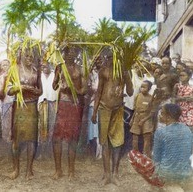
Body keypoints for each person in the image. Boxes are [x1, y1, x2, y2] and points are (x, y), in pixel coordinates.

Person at [91, 50, 133, 186]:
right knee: (104, 142)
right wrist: (94, 111)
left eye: (111, 57)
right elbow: (98, 92)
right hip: (104, 108)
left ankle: (115, 173)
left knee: (117, 142)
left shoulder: (123, 72)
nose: (109, 60)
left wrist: (127, 78)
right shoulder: (103, 71)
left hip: (118, 109)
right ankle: (106, 174)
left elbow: (130, 92)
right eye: (107, 57)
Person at [129, 103, 193, 191]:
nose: (159, 115)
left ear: (168, 117)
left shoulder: (160, 132)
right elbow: (189, 152)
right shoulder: (187, 130)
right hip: (186, 173)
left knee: (133, 155)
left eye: (162, 113)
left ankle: (161, 186)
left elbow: (157, 159)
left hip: (168, 175)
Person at [52, 47, 87, 180]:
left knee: (73, 138)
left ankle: (71, 170)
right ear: (64, 54)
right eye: (68, 52)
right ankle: (58, 170)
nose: (71, 54)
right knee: (57, 138)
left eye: (74, 52)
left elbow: (84, 89)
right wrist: (60, 84)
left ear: (77, 54)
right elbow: (54, 86)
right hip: (62, 105)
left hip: (75, 105)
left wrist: (73, 90)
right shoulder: (59, 68)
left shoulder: (80, 69)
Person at [8, 48, 42, 180]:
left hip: (32, 106)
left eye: (31, 57)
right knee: (17, 139)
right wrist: (21, 88)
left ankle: (29, 170)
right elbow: (9, 91)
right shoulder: (14, 69)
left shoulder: (36, 71)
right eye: (27, 56)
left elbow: (40, 91)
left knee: (31, 140)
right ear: (21, 56)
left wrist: (32, 90)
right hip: (19, 107)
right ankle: (16, 169)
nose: (29, 58)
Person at [37, 61, 58, 159]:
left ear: (50, 65)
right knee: (41, 127)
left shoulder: (55, 75)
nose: (44, 67)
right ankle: (41, 151)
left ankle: (50, 152)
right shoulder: (39, 76)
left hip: (53, 103)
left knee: (52, 127)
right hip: (42, 104)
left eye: (46, 64)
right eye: (42, 65)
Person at [130, 80, 154, 158]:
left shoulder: (151, 98)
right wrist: (132, 119)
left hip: (146, 118)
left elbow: (152, 112)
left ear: (149, 88)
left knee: (147, 137)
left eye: (144, 87)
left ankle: (145, 155)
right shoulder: (138, 96)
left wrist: (144, 120)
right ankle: (135, 155)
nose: (142, 88)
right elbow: (135, 109)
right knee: (135, 136)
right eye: (141, 87)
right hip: (137, 117)